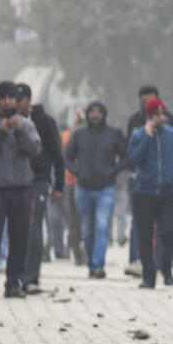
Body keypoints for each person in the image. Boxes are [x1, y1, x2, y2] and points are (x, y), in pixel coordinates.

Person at [0, 80, 42, 299]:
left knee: (20, 238)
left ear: (17, 100)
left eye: (10, 97)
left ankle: (14, 283)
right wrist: (1, 132)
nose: (7, 102)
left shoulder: (27, 125)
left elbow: (34, 149)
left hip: (22, 189)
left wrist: (18, 129)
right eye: (2, 98)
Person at [127, 96, 173, 288]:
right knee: (144, 235)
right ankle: (148, 275)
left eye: (162, 114)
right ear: (149, 116)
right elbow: (134, 159)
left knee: (170, 231)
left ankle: (166, 268)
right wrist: (146, 137)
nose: (160, 118)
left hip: (167, 191)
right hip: (143, 191)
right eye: (156, 115)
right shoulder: (137, 135)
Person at [65, 100, 126, 278]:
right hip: (83, 188)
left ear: (104, 114)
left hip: (105, 188)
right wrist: (77, 172)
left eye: (99, 112)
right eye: (92, 112)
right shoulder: (79, 135)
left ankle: (99, 264)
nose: (96, 115)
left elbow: (125, 157)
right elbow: (67, 157)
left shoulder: (113, 134)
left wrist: (113, 171)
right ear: (88, 114)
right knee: (87, 228)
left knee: (102, 225)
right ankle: (91, 262)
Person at [16, 83, 66, 293]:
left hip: (39, 181)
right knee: (18, 229)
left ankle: (31, 277)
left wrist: (59, 185)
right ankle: (16, 274)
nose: (15, 104)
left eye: (18, 100)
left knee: (34, 228)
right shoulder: (9, 122)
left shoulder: (44, 121)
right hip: (15, 182)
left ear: (27, 100)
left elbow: (57, 154)